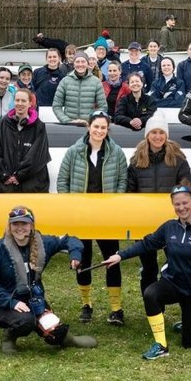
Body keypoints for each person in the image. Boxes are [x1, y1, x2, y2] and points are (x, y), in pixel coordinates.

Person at [105, 186, 191, 360]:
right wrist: (120, 256)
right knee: (150, 293)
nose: (181, 208)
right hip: (172, 283)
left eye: (185, 203)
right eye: (177, 204)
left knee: (190, 344)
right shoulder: (169, 227)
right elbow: (146, 244)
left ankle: (189, 321)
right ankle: (161, 345)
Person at [0, 206, 97, 354]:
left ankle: (68, 339)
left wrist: (75, 255)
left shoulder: (43, 243)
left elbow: (70, 240)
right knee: (26, 321)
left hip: (33, 300)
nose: (19, 228)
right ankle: (9, 336)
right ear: (9, 226)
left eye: (24, 224)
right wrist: (11, 302)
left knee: (55, 332)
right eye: (15, 224)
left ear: (32, 225)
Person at [57, 110, 128, 326]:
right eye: (96, 126)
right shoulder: (73, 151)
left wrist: (115, 204)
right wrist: (70, 206)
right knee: (83, 259)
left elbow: (122, 181)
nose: (99, 131)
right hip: (81, 215)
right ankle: (86, 304)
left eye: (103, 128)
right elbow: (62, 181)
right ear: (89, 127)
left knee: (112, 260)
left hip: (107, 216)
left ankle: (116, 309)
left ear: (108, 130)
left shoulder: (116, 153)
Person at [128, 114, 191, 292]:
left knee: (176, 266)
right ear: (147, 135)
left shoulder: (178, 158)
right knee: (149, 269)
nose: (158, 136)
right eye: (154, 132)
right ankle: (153, 309)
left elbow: (187, 188)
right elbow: (129, 192)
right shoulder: (136, 161)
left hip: (171, 222)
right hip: (144, 222)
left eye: (161, 132)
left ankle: (181, 303)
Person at [0, 89, 50, 193]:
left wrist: (19, 176)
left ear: (30, 103)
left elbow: (37, 157)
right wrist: (5, 176)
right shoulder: (1, 124)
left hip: (31, 187)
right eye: (17, 100)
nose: (20, 103)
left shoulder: (39, 127)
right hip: (6, 186)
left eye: (23, 101)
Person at [52, 52, 108, 126]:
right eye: (77, 62)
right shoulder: (65, 81)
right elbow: (56, 106)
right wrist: (67, 121)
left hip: (89, 126)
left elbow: (103, 107)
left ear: (87, 64)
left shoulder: (96, 82)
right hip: (69, 126)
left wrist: (92, 121)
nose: (80, 64)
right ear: (73, 64)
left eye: (83, 61)